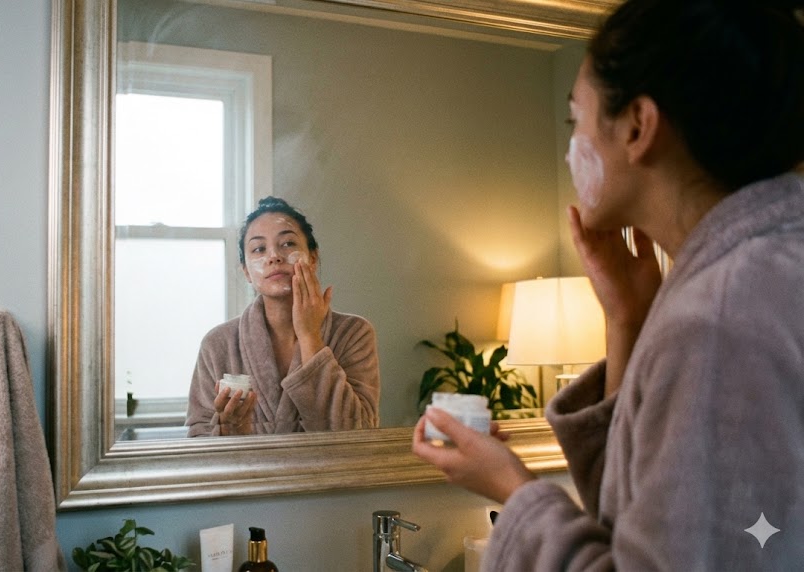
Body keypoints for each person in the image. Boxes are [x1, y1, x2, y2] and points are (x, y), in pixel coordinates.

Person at [412, 0, 804, 569]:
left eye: (576, 120)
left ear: (640, 127)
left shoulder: (716, 320)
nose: (570, 149)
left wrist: (514, 490)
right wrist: (628, 319)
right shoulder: (764, 272)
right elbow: (657, 528)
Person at [186, 196, 380, 436]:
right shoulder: (218, 345)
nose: (274, 256)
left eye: (287, 244)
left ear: (312, 257)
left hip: (329, 474)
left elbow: (360, 434)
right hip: (253, 475)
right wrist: (229, 429)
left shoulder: (353, 333)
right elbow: (198, 443)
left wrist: (310, 337)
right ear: (246, 271)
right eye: (259, 249)